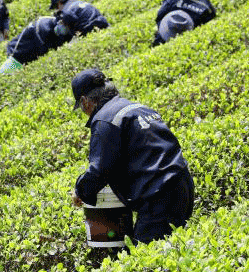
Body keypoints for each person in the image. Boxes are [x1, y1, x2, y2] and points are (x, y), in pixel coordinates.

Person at [69, 69, 195, 244]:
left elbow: (99, 169)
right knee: (174, 246)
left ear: (84, 101)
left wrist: (80, 191)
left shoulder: (104, 120)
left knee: (148, 259)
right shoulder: (135, 107)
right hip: (182, 185)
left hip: (159, 196)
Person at [0, 15, 71, 74]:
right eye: (64, 25)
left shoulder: (57, 28)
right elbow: (47, 49)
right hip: (17, 56)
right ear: (60, 22)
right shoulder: (45, 27)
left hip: (29, 59)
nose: (65, 28)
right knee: (1, 77)